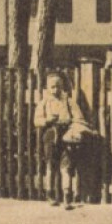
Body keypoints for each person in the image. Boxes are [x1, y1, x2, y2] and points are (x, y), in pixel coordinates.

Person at [33, 72, 86, 208]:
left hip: (66, 136)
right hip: (50, 135)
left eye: (58, 86)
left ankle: (67, 197)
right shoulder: (44, 103)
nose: (55, 90)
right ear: (47, 88)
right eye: (52, 87)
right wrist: (46, 120)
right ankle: (50, 195)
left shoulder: (68, 102)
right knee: (50, 165)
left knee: (65, 167)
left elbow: (79, 118)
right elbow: (36, 120)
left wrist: (70, 124)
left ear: (62, 87)